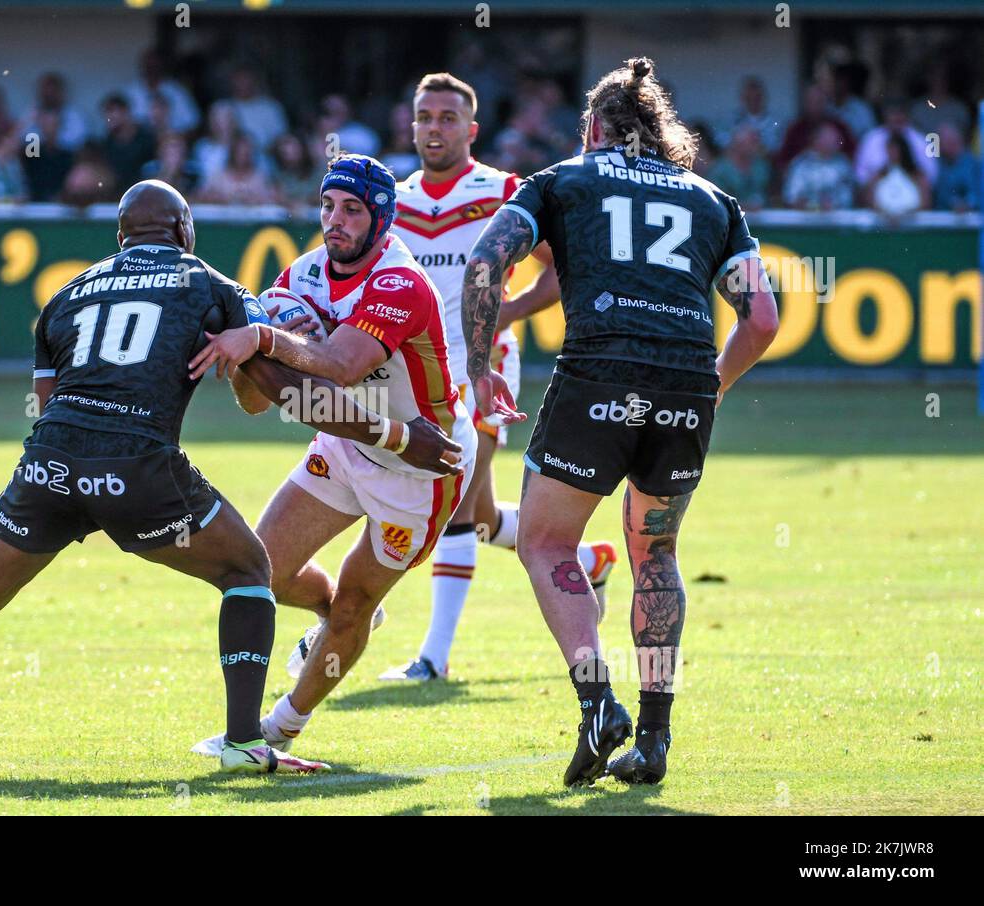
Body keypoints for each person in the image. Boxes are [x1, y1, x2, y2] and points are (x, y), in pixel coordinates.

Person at [0, 179, 461, 777]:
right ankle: (245, 740)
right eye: (331, 206)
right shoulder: (210, 287)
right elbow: (275, 395)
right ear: (184, 230)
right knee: (247, 573)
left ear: (120, 236)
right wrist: (381, 426)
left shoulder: (66, 295)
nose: (336, 220)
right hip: (139, 472)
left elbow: (46, 401)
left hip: (47, 469)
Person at [462, 58, 779, 786]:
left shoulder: (560, 182)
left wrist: (481, 369)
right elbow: (761, 319)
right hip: (684, 386)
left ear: (595, 128)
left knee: (545, 543)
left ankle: (598, 702)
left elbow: (484, 266)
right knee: (656, 553)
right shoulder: (715, 201)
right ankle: (656, 738)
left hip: (598, 375)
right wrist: (716, 383)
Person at [186, 154, 478, 760]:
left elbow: (344, 364)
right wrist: (250, 362)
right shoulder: (304, 275)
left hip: (421, 469)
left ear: (382, 218)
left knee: (354, 601)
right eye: (327, 206)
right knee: (261, 572)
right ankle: (337, 625)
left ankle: (278, 729)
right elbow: (255, 405)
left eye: (352, 210)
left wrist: (262, 337)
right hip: (350, 442)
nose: (335, 221)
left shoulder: (400, 282)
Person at [360, 72, 616, 685]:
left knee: (450, 509)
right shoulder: (393, 203)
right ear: (411, 124)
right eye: (425, 117)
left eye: (447, 118)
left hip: (484, 370)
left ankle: (434, 658)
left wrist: (505, 312)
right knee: (472, 513)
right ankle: (586, 558)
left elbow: (559, 273)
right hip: (419, 378)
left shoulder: (505, 191)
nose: (434, 128)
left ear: (470, 129)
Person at [783, 122, 856, 211]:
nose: (837, 140)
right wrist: (816, 207)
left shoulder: (843, 164)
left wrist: (832, 206)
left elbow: (848, 198)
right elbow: (791, 199)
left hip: (839, 220)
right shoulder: (801, 164)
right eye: (831, 137)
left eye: (837, 137)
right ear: (817, 140)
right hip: (805, 220)